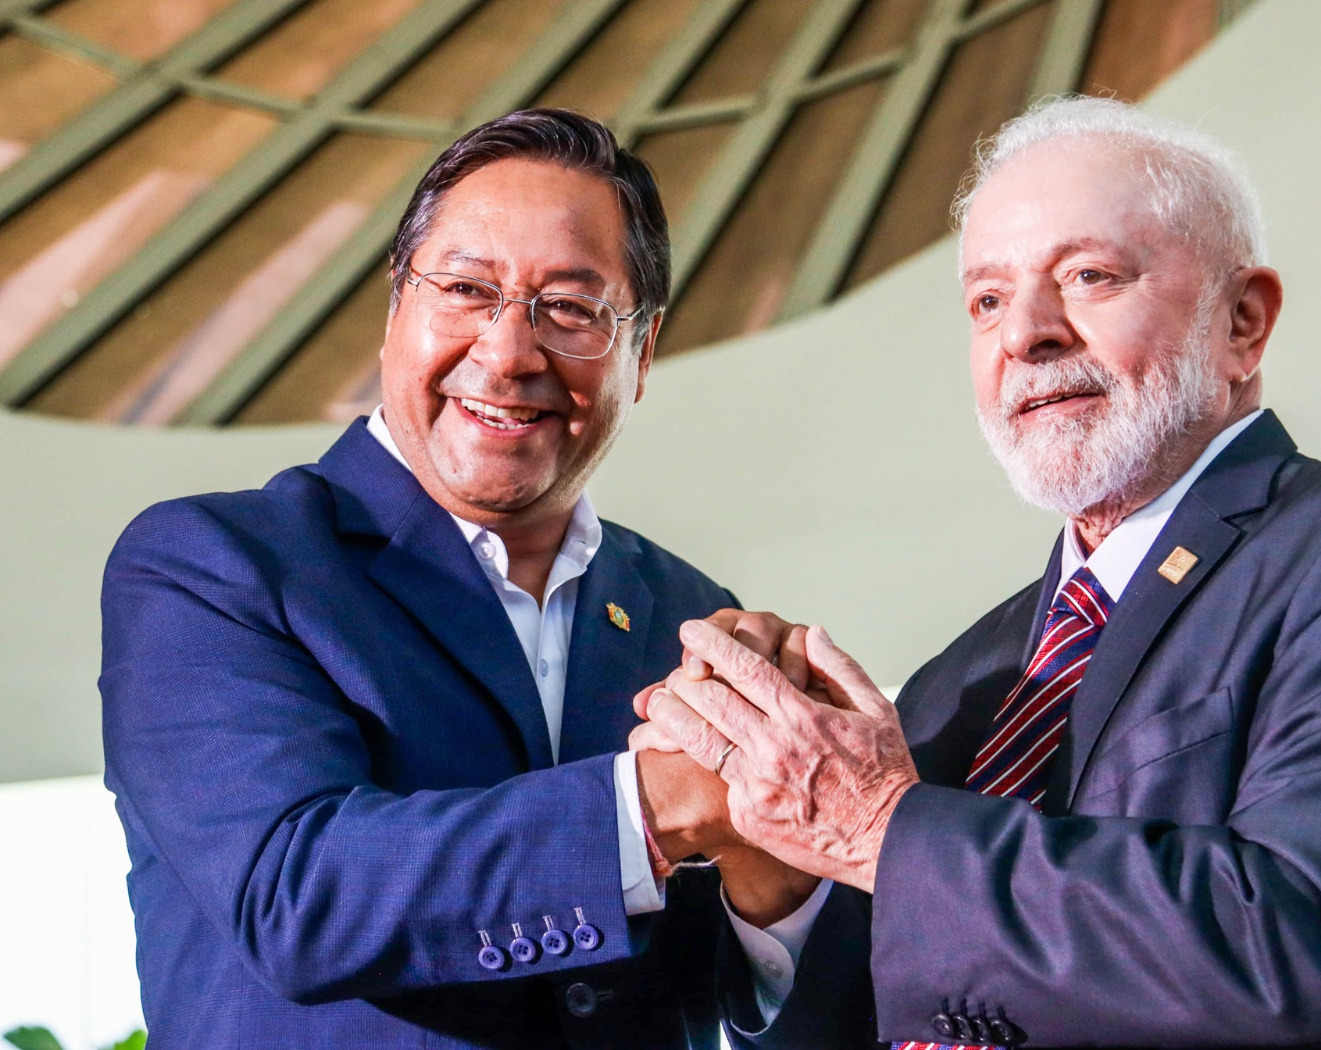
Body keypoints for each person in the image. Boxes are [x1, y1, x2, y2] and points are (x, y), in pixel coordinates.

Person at [635, 96, 1321, 1048]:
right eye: (987, 301)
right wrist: (779, 871)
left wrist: (875, 826)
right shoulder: (965, 675)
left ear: (1242, 323)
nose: (1025, 333)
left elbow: (1301, 949)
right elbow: (880, 1007)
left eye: (1089, 276)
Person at [99, 108, 810, 1048]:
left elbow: (730, 996)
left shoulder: (687, 614)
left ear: (641, 354)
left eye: (571, 309)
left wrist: (776, 877)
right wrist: (662, 803)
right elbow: (296, 897)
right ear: (394, 309)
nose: (509, 353)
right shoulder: (215, 566)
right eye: (468, 289)